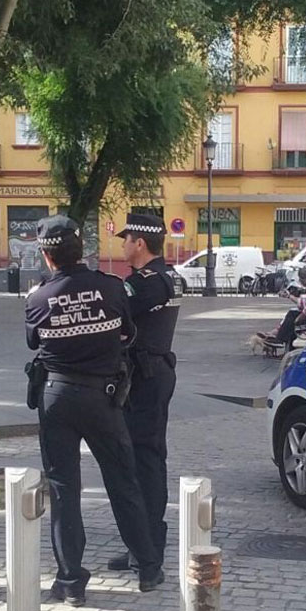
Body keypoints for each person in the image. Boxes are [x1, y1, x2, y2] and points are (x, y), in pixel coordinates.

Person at [24, 215, 163, 606]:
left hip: (57, 396)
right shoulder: (112, 287)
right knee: (123, 482)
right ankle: (148, 567)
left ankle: (71, 582)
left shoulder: (37, 298)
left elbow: (32, 340)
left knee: (64, 489)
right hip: (103, 397)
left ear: (46, 255)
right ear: (82, 249)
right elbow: (128, 333)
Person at [107, 213, 180, 574]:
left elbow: (114, 312)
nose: (122, 245)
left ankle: (149, 546)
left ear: (139, 243)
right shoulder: (163, 276)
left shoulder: (148, 282)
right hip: (146, 373)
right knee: (138, 459)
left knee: (146, 460)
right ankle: (139, 544)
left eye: (126, 239)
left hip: (146, 377)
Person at [258, 265, 306, 351]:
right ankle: (278, 336)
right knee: (292, 313)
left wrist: (298, 318)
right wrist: (289, 296)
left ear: (301, 280)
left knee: (293, 324)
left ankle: (280, 340)